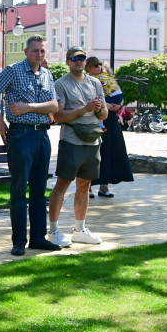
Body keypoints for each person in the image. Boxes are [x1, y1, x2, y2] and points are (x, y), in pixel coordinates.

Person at [0, 35, 59, 256]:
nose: (39, 55)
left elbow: (54, 106)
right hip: (20, 135)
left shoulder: (46, 74)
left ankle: (38, 238)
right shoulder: (13, 70)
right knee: (18, 190)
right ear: (26, 52)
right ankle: (18, 241)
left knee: (38, 190)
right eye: (35, 51)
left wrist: (28, 107)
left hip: (42, 136)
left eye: (42, 51)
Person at [47, 46, 107, 245]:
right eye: (74, 58)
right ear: (67, 62)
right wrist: (85, 108)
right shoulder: (61, 84)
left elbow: (104, 114)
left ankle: (80, 229)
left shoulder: (95, 83)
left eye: (82, 57)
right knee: (62, 184)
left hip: (93, 140)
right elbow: (59, 116)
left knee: (85, 184)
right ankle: (53, 231)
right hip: (71, 141)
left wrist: (98, 109)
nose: (78, 61)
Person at [87, 59, 133, 198]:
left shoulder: (107, 79)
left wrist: (118, 105)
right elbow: (88, 99)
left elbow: (118, 94)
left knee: (110, 152)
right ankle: (87, 187)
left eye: (100, 65)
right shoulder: (88, 81)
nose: (99, 67)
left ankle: (104, 186)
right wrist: (107, 105)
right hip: (95, 119)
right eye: (95, 65)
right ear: (88, 68)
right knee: (94, 154)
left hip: (111, 120)